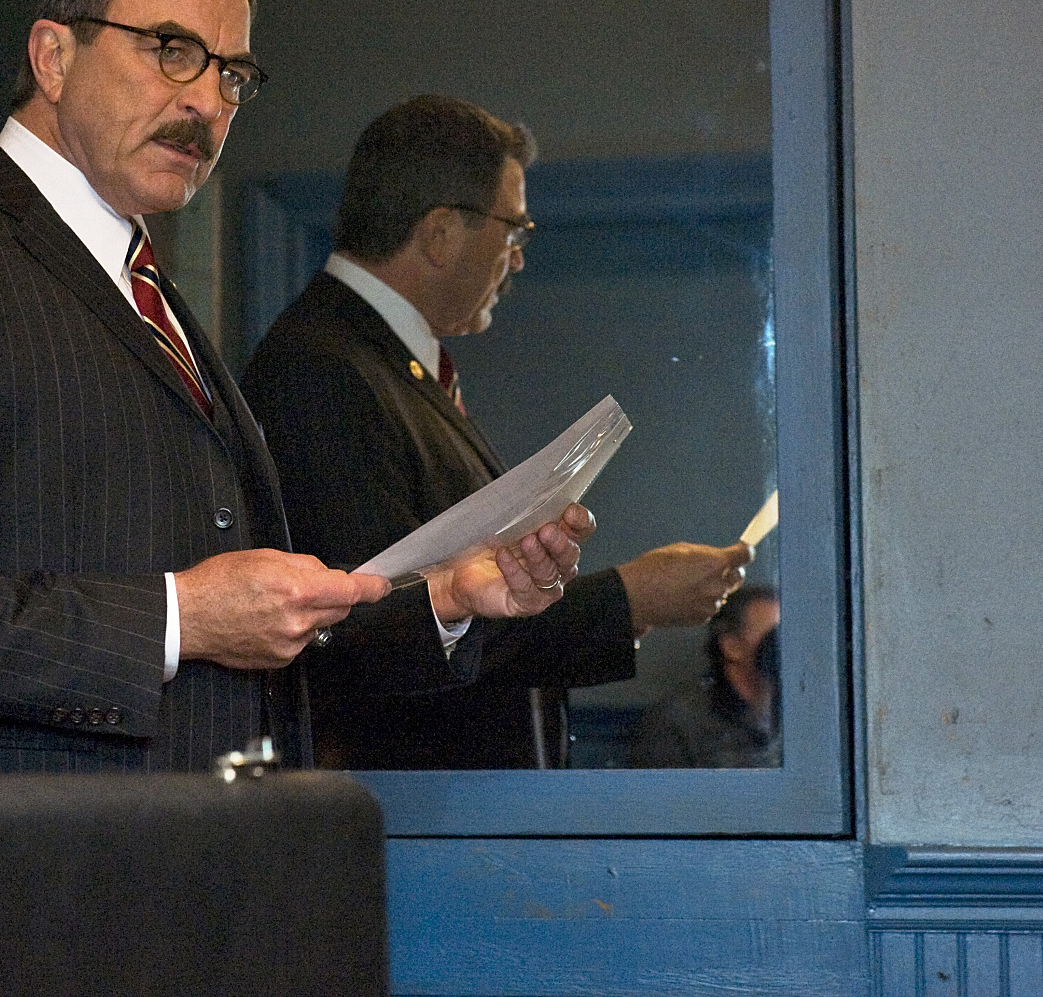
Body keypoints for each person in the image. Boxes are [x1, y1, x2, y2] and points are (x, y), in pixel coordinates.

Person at [0, 0, 587, 775]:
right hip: (18, 884)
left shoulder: (151, 292)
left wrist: (448, 599)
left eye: (232, 73)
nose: (204, 101)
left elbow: (254, 635)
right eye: (168, 49)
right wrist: (177, 617)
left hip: (194, 870)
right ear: (53, 57)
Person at [241, 94, 752, 769]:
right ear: (441, 232)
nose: (516, 260)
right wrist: (628, 596)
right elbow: (374, 628)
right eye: (514, 231)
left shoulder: (391, 365)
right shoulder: (319, 367)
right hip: (409, 814)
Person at [628, 583, 781, 768]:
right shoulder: (678, 722)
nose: (783, 648)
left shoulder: (795, 712)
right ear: (732, 646)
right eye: (774, 637)